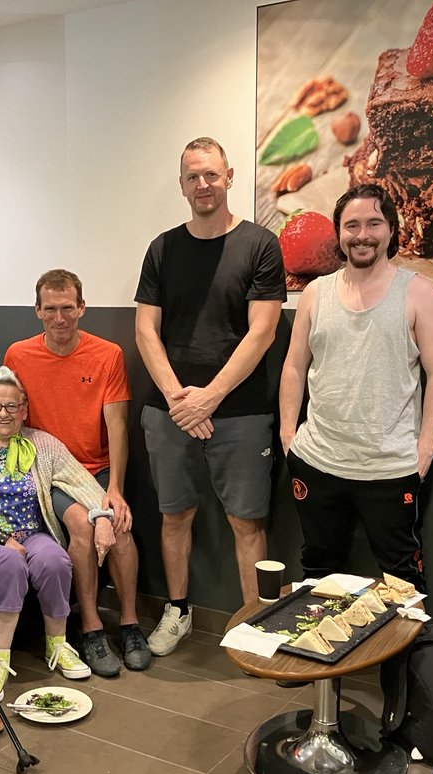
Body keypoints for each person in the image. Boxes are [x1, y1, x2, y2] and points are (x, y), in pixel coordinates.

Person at [0, 269, 150, 677]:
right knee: (83, 526)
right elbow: (5, 401)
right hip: (47, 470)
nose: (59, 318)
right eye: (50, 309)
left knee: (120, 526)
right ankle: (90, 628)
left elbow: (117, 426)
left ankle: (130, 625)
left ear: (82, 308)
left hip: (93, 467)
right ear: (37, 310)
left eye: (67, 308)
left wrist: (115, 489)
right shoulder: (19, 354)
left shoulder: (107, 354)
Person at [134, 136, 286, 654]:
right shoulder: (162, 249)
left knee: (247, 522)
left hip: (241, 411)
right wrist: (181, 399)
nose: (203, 184)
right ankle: (177, 612)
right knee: (174, 515)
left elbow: (262, 332)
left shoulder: (260, 244)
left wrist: (211, 397)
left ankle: (254, 627)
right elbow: (145, 331)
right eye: (193, 176)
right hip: (169, 411)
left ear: (229, 177)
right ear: (182, 185)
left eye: (212, 174)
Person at [279, 183, 433, 590]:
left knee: (403, 581)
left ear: (391, 229)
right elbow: (294, 367)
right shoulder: (315, 294)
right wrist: (289, 435)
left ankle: (405, 640)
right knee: (317, 573)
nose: (362, 235)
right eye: (352, 225)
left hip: (391, 467)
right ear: (339, 233)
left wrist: (425, 447)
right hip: (317, 461)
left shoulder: (419, 293)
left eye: (374, 223)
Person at [0, 367, 118, 700]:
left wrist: (103, 516)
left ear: (24, 411)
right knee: (9, 563)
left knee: (55, 560)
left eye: (12, 406)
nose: (3, 413)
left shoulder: (43, 445)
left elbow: (82, 482)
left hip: (31, 533)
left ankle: (58, 645)